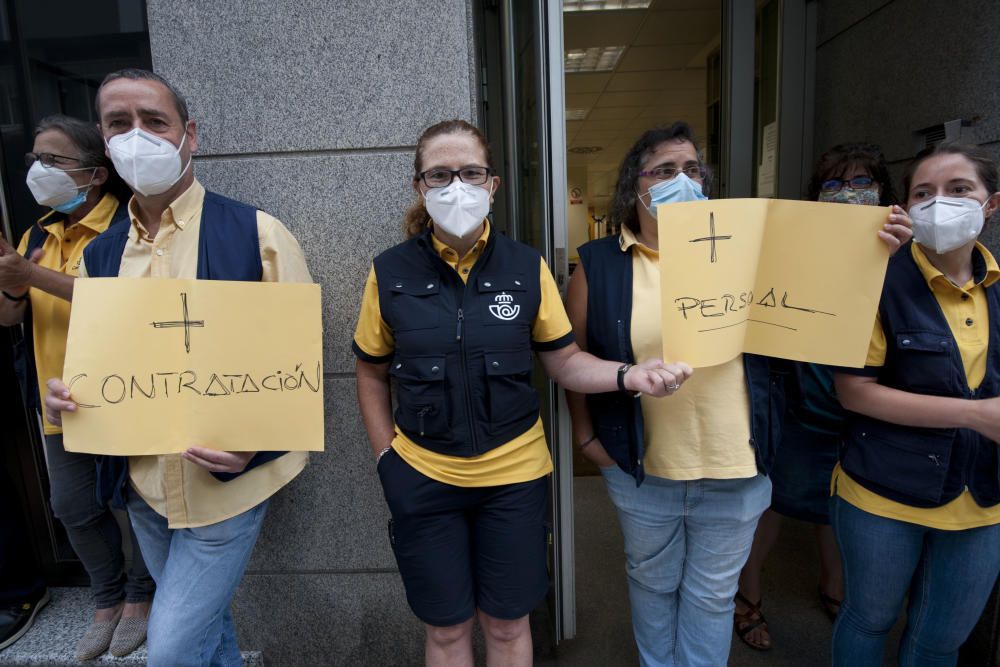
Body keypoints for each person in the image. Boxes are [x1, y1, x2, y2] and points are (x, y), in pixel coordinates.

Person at [565, 123, 913, 667]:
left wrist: (873, 256)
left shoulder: (750, 252)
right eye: (663, 170)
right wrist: (586, 438)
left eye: (692, 170)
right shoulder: (599, 264)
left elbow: (821, 305)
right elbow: (574, 356)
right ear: (636, 185)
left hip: (737, 465)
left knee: (711, 596)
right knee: (652, 587)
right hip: (642, 465)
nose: (681, 179)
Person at [353, 119, 690, 667]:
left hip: (513, 479)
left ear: (493, 184)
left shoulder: (525, 267)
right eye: (439, 175)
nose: (455, 186)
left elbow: (565, 361)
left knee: (508, 626)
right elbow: (370, 372)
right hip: (423, 479)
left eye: (470, 173)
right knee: (446, 630)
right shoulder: (389, 272)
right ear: (420, 186)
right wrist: (387, 458)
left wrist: (631, 375)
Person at [43, 68, 312, 667]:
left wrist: (254, 442)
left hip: (228, 487)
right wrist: (68, 396)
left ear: (189, 134)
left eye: (154, 121)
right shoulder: (103, 256)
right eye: (119, 123)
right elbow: (95, 362)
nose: (137, 136)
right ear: (103, 141)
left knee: (169, 651)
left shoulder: (257, 234)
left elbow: (298, 362)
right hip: (144, 489)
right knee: (208, 629)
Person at [734, 143, 910, 651]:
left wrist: (902, 254)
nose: (848, 195)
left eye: (861, 183)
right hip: (801, 405)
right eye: (833, 186)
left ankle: (833, 588)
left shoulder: (905, 254)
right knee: (774, 504)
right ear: (816, 198)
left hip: (870, 413)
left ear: (883, 193)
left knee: (839, 508)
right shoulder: (795, 250)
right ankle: (748, 596)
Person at [831, 141, 1000, 665]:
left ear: (990, 203)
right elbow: (854, 390)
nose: (940, 203)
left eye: (959, 190)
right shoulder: (877, 282)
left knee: (941, 636)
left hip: (983, 497)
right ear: (904, 207)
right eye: (924, 192)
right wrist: (974, 414)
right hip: (884, 490)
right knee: (868, 619)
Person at [0, 114, 154, 660]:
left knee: (135, 503)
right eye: (33, 159)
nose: (39, 170)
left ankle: (140, 597)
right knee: (71, 508)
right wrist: (12, 284)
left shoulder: (127, 227)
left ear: (93, 172)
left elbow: (121, 301)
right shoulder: (37, 233)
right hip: (56, 399)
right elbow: (9, 317)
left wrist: (29, 276)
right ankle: (106, 598)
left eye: (54, 160)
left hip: (119, 393)